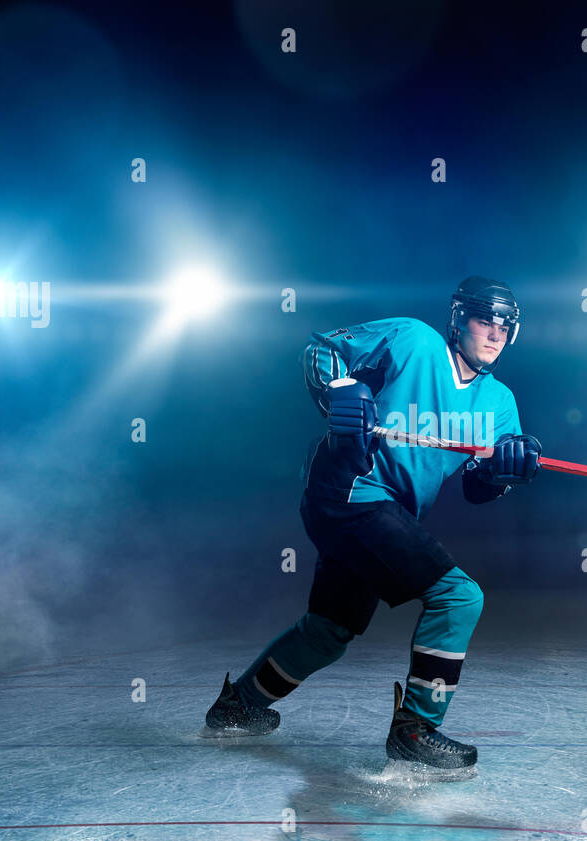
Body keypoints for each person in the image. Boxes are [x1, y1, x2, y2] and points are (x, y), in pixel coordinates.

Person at [202, 276, 542, 781]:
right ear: (458, 320)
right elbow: (321, 353)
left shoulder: (499, 404)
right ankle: (415, 730)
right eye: (483, 320)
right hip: (348, 489)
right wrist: (340, 390)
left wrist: (505, 468)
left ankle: (237, 708)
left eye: (504, 326)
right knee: (459, 597)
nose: (494, 334)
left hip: (385, 515)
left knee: (329, 631)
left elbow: (478, 487)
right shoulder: (412, 339)